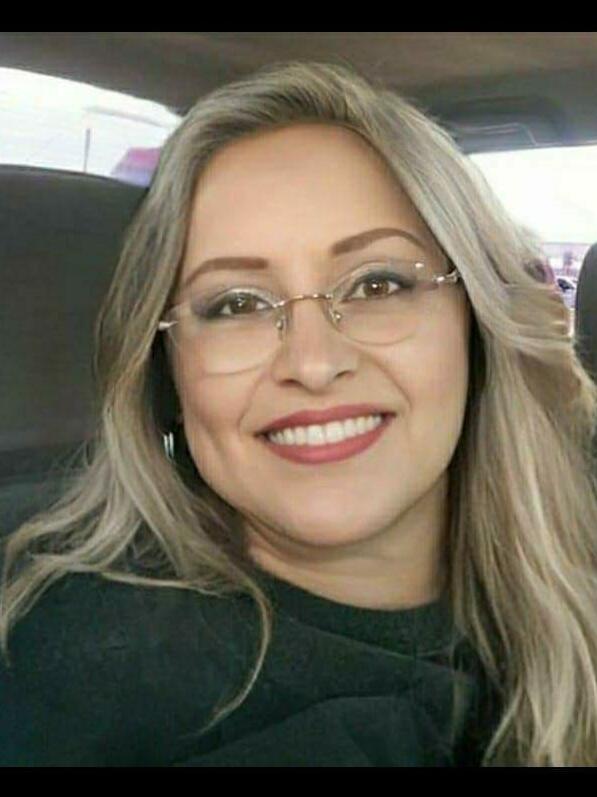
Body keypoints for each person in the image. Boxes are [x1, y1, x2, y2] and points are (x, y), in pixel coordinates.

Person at [2, 61, 597, 768]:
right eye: (236, 305)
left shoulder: (575, 553)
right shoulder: (70, 674)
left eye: (377, 284)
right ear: (167, 377)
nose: (313, 363)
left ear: (477, 325)